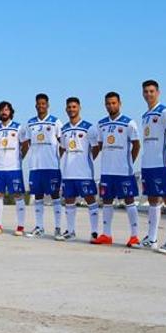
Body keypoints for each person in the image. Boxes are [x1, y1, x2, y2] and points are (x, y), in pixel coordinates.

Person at [92, 92, 142, 246]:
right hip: (107, 171)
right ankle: (107, 235)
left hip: (124, 171)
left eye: (114, 103)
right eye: (108, 103)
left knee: (129, 201)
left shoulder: (129, 123)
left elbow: (136, 145)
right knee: (107, 201)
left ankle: (134, 236)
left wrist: (129, 162)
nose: (111, 106)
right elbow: (99, 146)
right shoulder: (101, 124)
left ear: (120, 103)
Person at [138, 81, 166, 253]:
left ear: (158, 92)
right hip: (148, 165)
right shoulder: (145, 115)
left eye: (152, 91)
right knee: (153, 200)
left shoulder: (165, 112)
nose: (149, 94)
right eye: (146, 91)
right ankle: (152, 238)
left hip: (162, 164)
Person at [20, 93, 64, 238]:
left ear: (48, 105)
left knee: (55, 196)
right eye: (38, 104)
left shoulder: (55, 122)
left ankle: (58, 228)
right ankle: (39, 227)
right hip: (35, 167)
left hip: (52, 166)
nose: (41, 106)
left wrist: (58, 158)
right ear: (35, 105)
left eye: (43, 103)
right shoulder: (30, 123)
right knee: (38, 197)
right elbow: (25, 143)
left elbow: (62, 142)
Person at [58, 97, 101, 241]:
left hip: (84, 173)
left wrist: (86, 161)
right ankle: (70, 232)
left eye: (74, 107)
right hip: (69, 173)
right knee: (69, 201)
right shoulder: (64, 129)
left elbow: (96, 148)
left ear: (79, 108)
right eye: (69, 107)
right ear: (66, 109)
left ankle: (94, 232)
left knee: (91, 201)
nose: (71, 109)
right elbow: (62, 149)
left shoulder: (89, 128)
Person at [0, 101, 27, 236]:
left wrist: (19, 158)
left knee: (18, 195)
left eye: (6, 110)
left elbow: (25, 144)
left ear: (11, 112)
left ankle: (20, 226)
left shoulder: (18, 127)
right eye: (2, 110)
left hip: (14, 168)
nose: (4, 112)